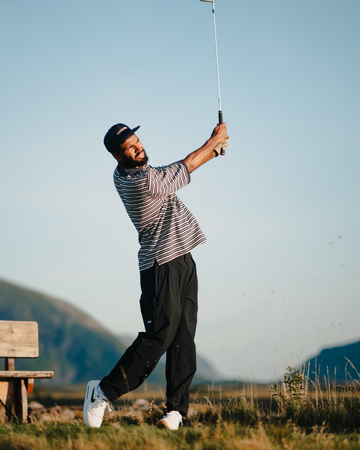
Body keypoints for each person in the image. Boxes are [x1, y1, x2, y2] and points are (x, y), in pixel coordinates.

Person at [83, 121, 229, 430]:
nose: (138, 147)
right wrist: (212, 142)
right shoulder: (143, 181)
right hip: (159, 264)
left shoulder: (134, 172)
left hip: (183, 259)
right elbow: (185, 165)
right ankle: (102, 392)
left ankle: (176, 411)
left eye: (137, 141)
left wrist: (213, 151)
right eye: (129, 147)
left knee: (183, 337)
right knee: (161, 335)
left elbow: (182, 167)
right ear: (117, 156)